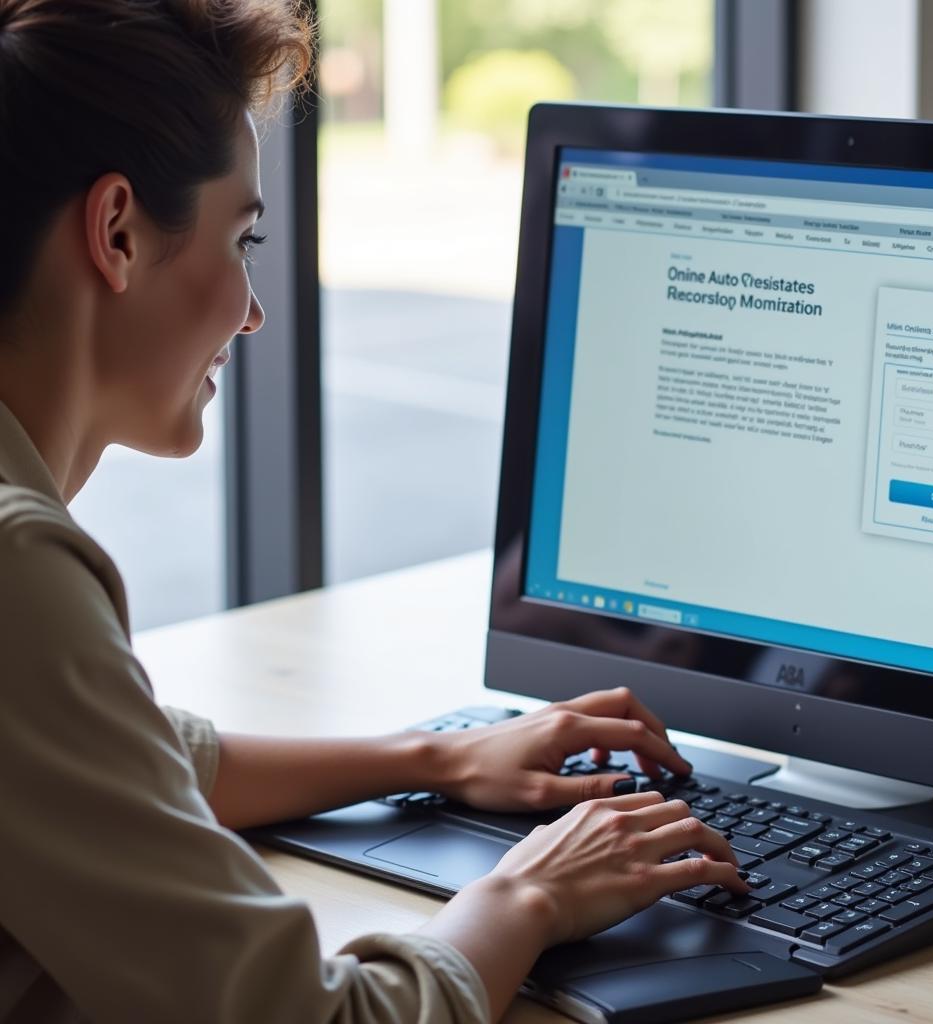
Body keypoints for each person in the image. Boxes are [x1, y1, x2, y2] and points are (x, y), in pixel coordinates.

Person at [0, 1, 747, 1021]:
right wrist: (529, 891)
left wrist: (432, 755)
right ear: (118, 230)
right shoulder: (18, 574)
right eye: (243, 238)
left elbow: (100, 764)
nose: (253, 309)